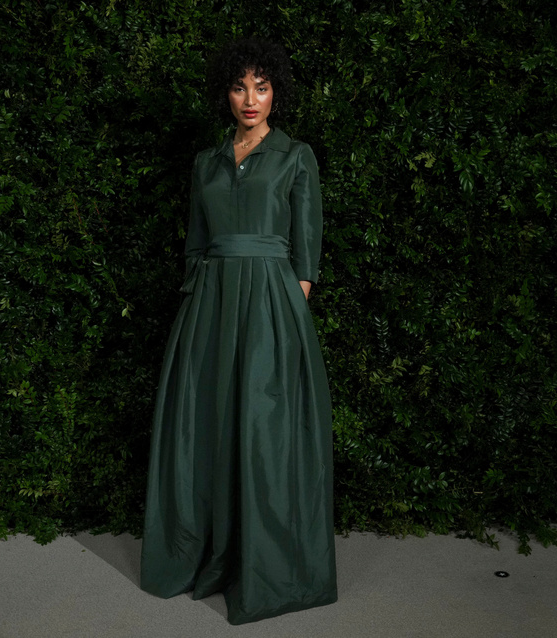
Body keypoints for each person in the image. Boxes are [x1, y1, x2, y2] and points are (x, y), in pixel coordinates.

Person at [139, 37, 337, 624]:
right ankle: (212, 552)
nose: (250, 99)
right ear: (225, 93)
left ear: (277, 91)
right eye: (238, 86)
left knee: (264, 428)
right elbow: (195, 247)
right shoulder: (205, 161)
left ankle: (269, 566)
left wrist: (284, 316)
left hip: (272, 306)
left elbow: (307, 259)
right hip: (209, 307)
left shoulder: (296, 155)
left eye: (262, 86)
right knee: (208, 425)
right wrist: (202, 304)